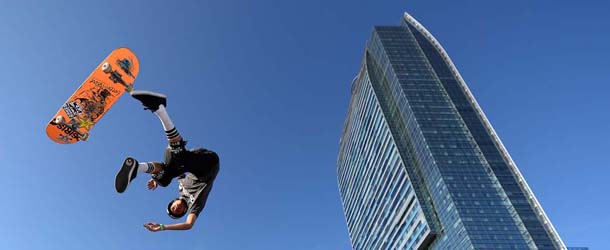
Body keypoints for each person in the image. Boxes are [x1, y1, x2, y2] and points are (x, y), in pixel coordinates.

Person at [114, 90, 220, 232]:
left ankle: (138, 167)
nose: (177, 208)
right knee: (178, 162)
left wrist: (156, 179)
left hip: (189, 159)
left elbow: (166, 168)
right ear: (184, 210)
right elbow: (189, 225)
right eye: (179, 211)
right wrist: (163, 227)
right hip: (209, 164)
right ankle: (160, 110)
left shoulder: (181, 185)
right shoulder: (196, 205)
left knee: (164, 179)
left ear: (173, 202)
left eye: (174, 209)